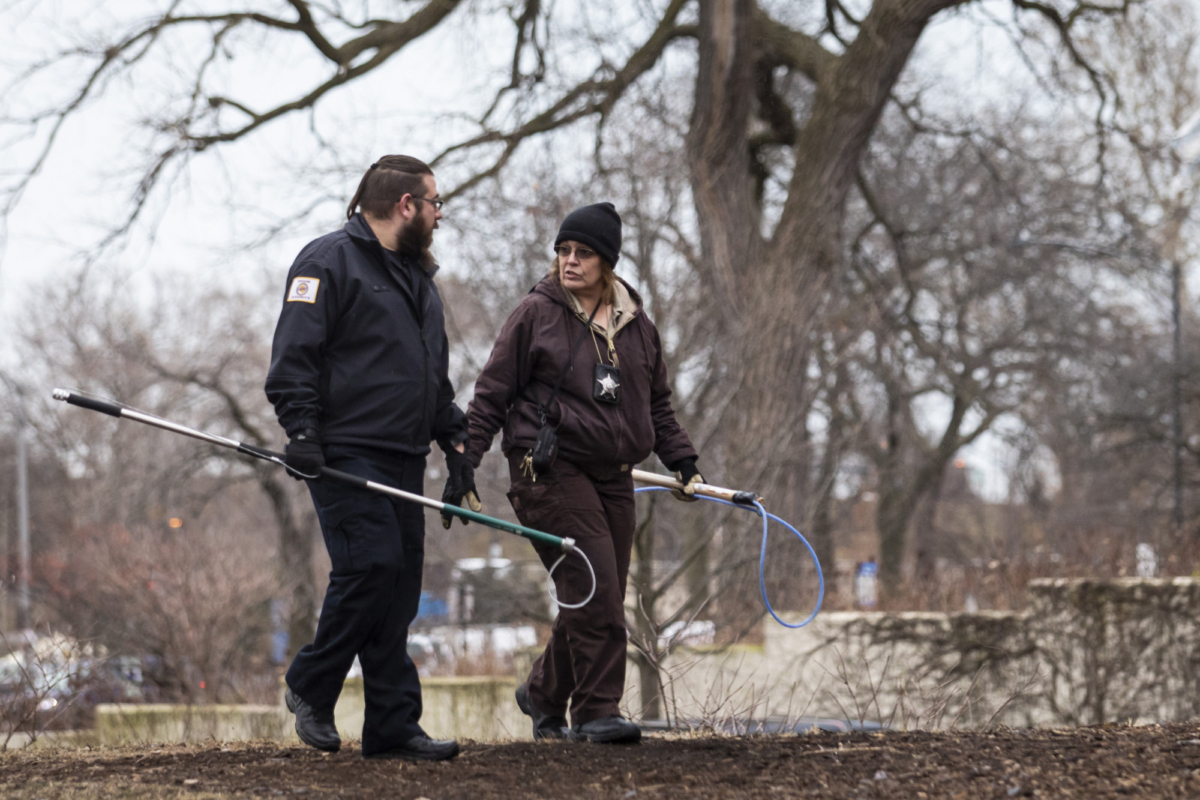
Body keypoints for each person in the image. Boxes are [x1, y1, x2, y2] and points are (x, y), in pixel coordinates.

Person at [460, 202, 704, 744]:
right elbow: (492, 391)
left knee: (601, 591)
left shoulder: (637, 326)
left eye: (583, 253)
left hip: (615, 476)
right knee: (593, 586)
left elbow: (657, 407)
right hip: (547, 470)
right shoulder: (537, 313)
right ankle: (596, 712)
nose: (570, 261)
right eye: (563, 251)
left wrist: (683, 460)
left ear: (608, 262)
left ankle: (543, 694)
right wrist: (466, 460)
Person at [265, 155, 480, 761]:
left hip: (405, 455)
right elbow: (293, 361)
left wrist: (455, 446)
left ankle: (391, 725)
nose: (440, 215)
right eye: (435, 202)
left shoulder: (419, 279)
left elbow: (430, 379)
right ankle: (311, 682)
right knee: (371, 568)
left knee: (399, 591)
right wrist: (302, 430)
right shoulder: (326, 262)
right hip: (343, 453)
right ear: (406, 205)